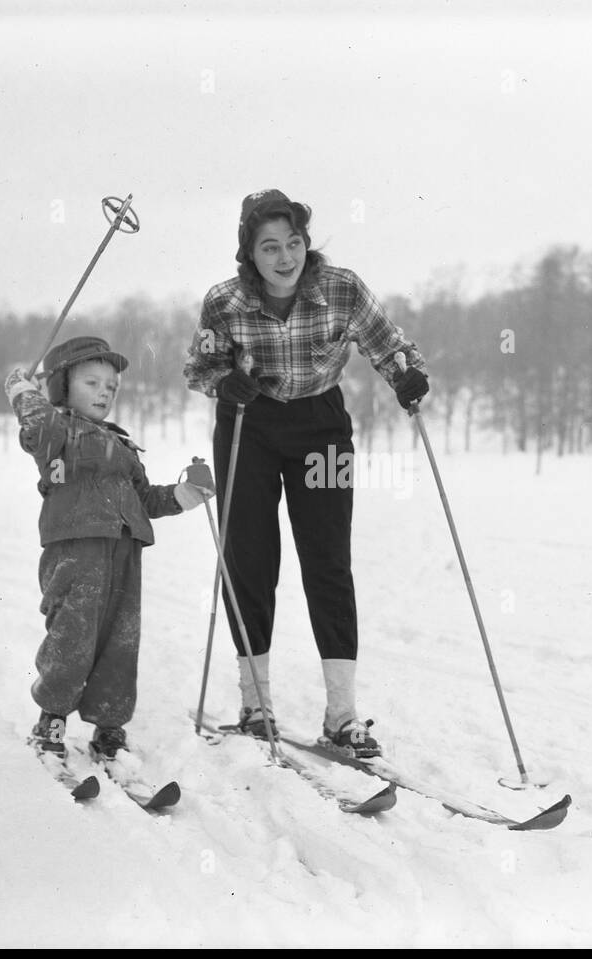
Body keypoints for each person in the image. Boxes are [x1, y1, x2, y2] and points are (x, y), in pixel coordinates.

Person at [183, 188, 430, 757]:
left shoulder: (341, 288)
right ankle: (255, 703)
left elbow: (388, 344)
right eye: (270, 247)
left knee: (327, 561)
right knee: (251, 557)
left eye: (293, 242)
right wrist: (224, 381)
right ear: (250, 253)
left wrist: (405, 375)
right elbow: (199, 365)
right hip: (250, 424)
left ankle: (342, 715)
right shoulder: (224, 301)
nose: (285, 256)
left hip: (320, 426)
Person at [4, 336, 216, 760]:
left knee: (122, 639)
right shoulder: (56, 433)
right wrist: (24, 394)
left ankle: (110, 725)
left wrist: (184, 493)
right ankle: (53, 716)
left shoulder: (122, 445)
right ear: (62, 386)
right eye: (92, 382)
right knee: (73, 634)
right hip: (76, 549)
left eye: (111, 387)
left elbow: (144, 500)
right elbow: (38, 426)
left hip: (124, 550)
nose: (104, 392)